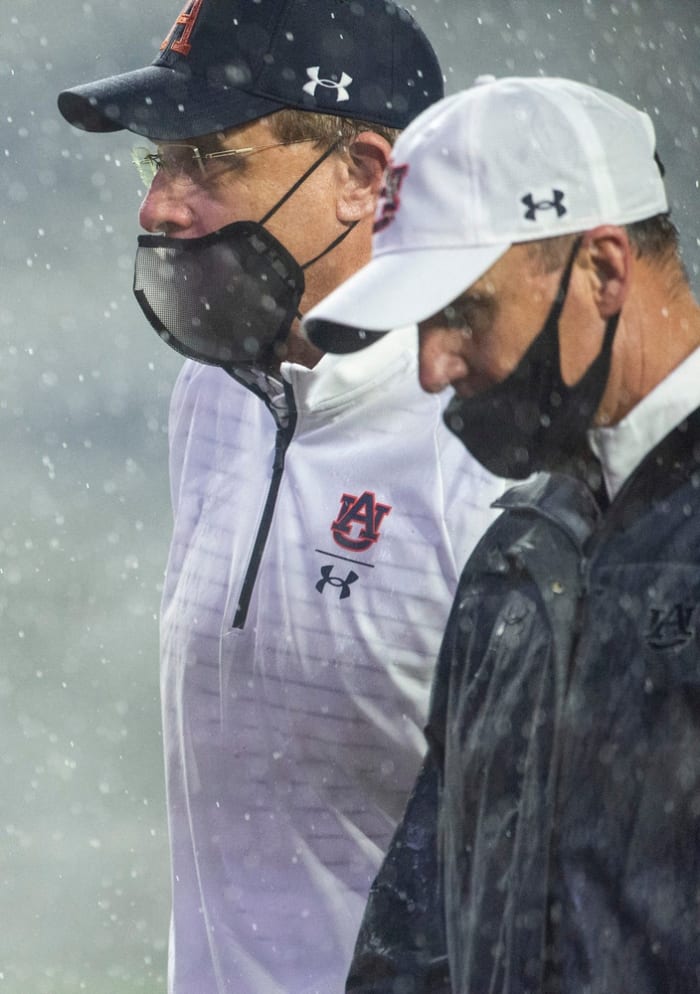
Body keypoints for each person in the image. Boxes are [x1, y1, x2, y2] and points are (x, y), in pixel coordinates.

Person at [57, 4, 505, 993]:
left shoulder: (497, 449)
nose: (161, 209)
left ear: (365, 177)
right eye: (156, 164)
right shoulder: (212, 394)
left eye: (209, 162)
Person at [303, 76, 700, 993]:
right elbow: (417, 935)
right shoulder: (519, 557)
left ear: (604, 270)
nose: (432, 366)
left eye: (463, 312)